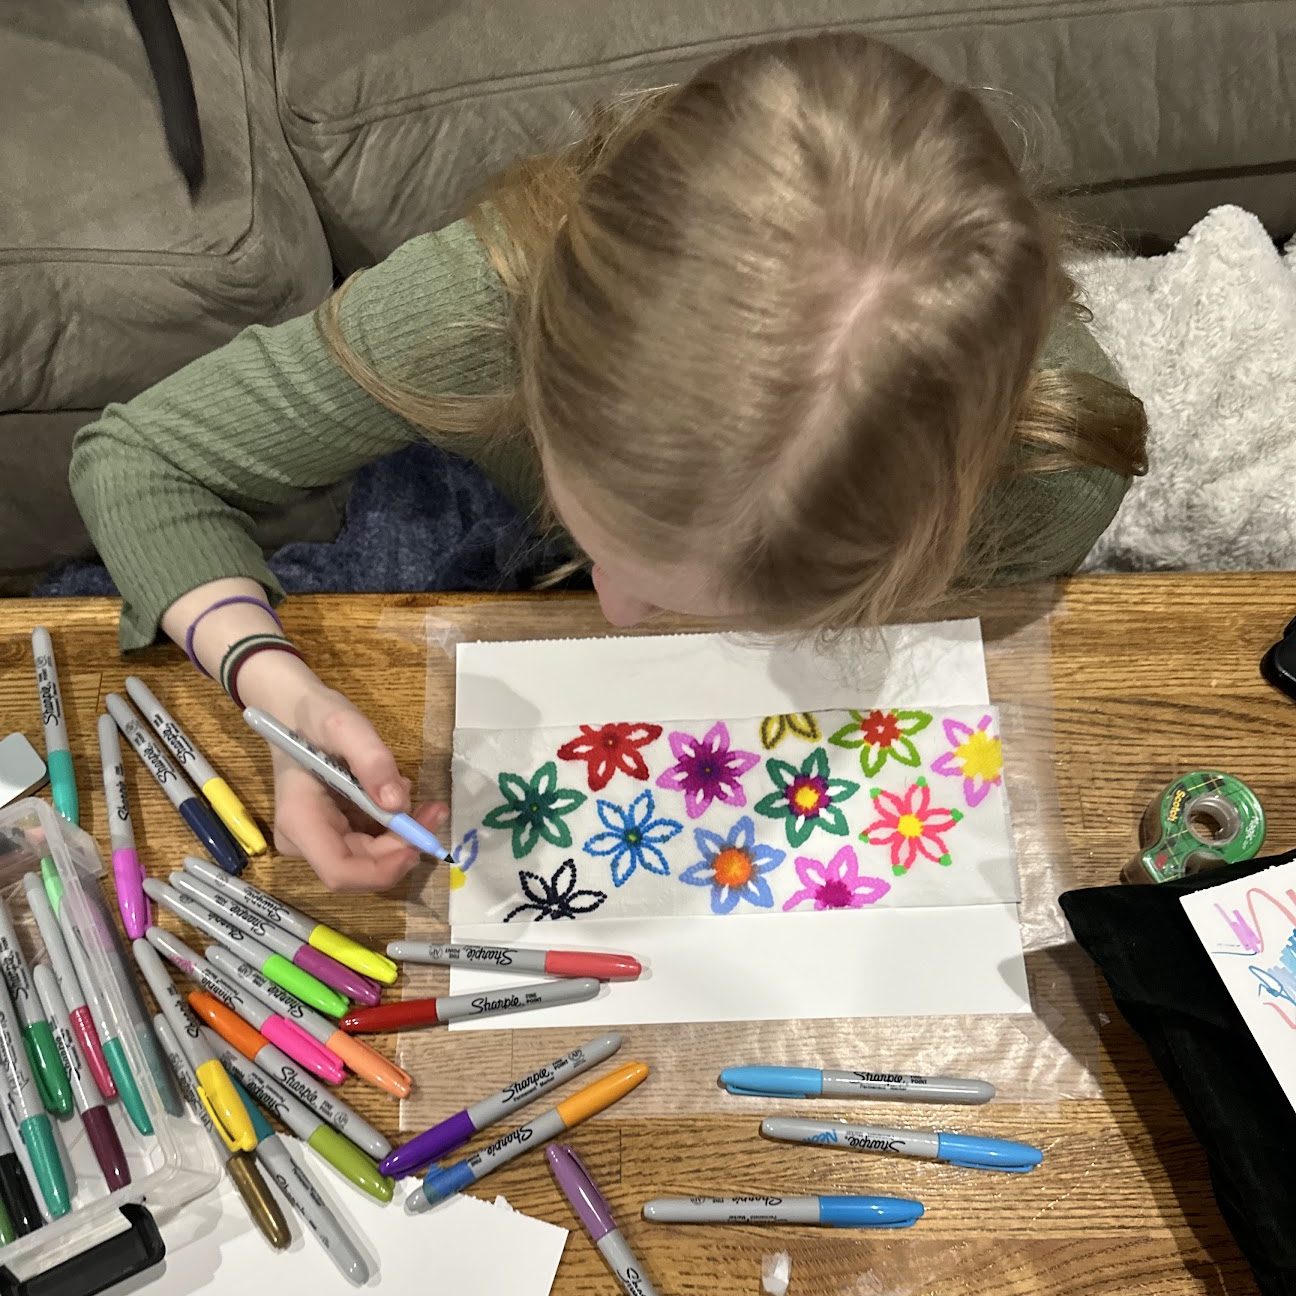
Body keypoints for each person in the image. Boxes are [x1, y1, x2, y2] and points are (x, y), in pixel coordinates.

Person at [70, 33, 1147, 892]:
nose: (616, 616)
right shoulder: (466, 315)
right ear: (534, 386)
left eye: (720, 606)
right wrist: (278, 690)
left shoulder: (1056, 477)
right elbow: (141, 457)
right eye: (600, 547)